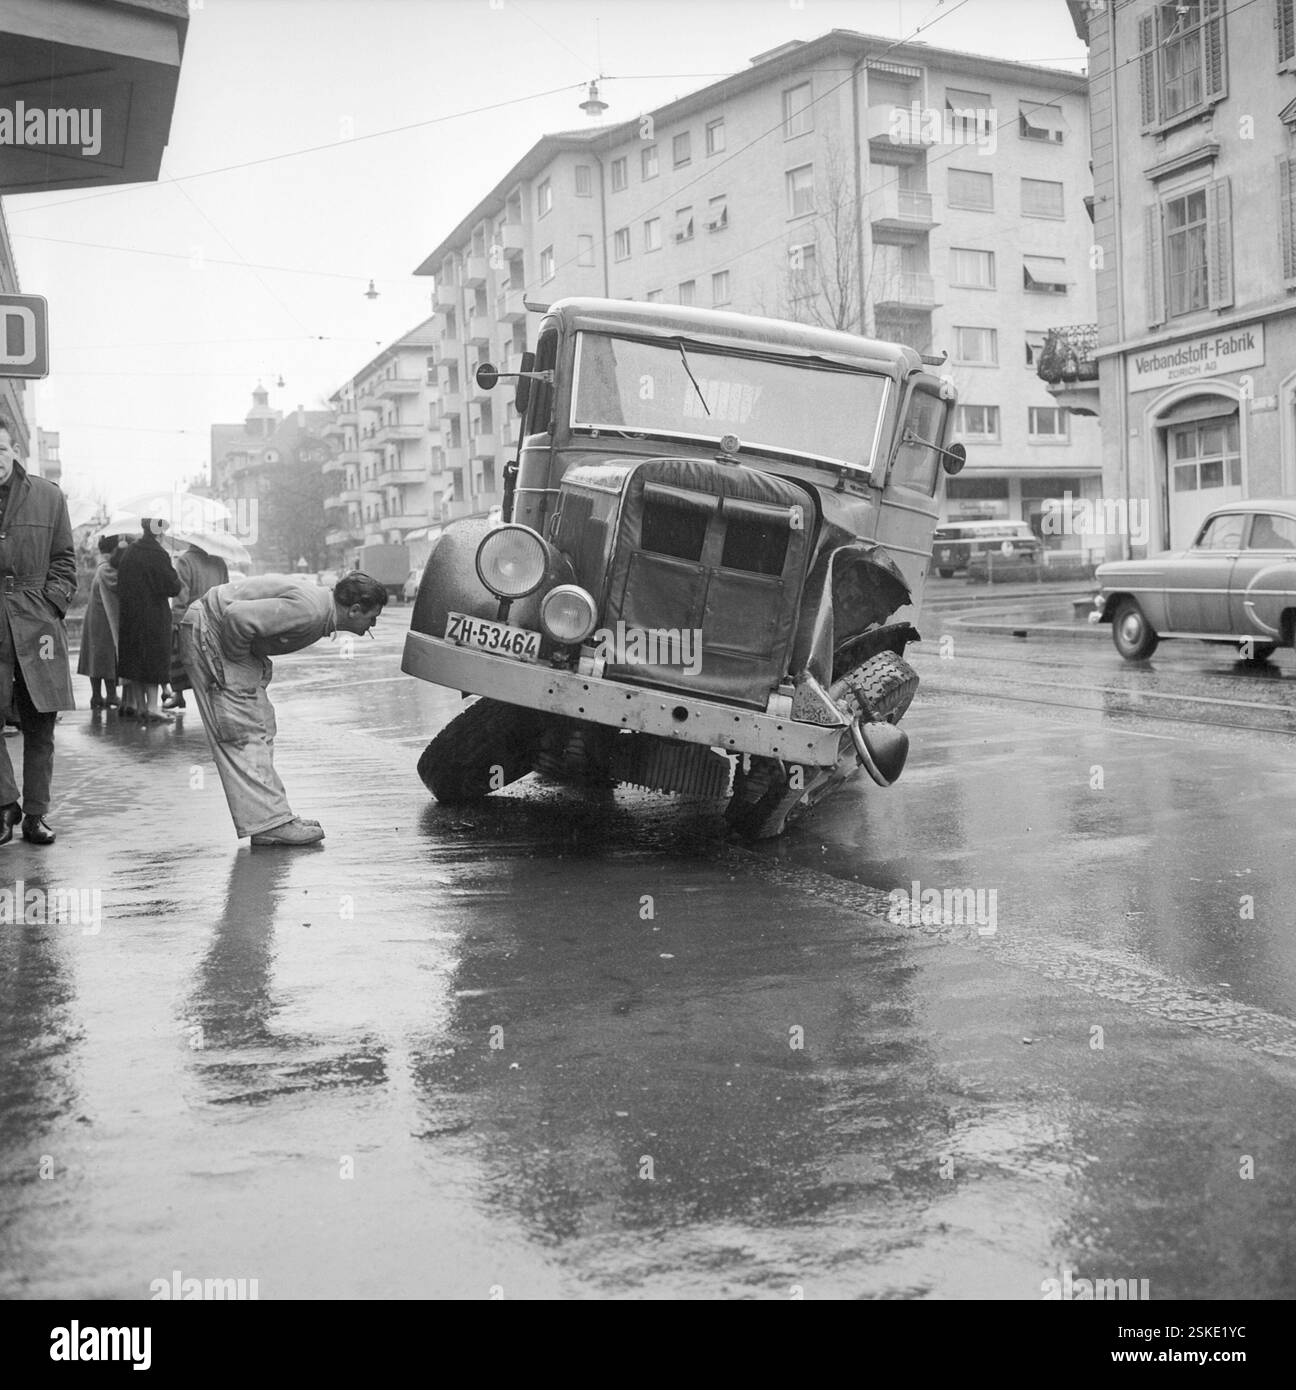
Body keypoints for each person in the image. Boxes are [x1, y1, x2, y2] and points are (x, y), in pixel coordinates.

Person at [178, 571, 385, 846]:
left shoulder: (317, 608)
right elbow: (238, 618)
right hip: (209, 633)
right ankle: (269, 824)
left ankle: (274, 818)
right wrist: (239, 663)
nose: (372, 624)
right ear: (355, 609)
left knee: (261, 724)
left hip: (210, 630)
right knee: (242, 732)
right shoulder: (311, 611)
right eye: (372, 617)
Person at [0, 415, 77, 846]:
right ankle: (4, 804)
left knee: (40, 724)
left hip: (37, 624)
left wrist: (52, 603)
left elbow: (65, 560)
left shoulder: (48, 497)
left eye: (0, 448)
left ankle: (34, 815)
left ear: (14, 450)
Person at [116, 520, 182, 723]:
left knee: (134, 660)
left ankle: (141, 706)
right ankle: (153, 707)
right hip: (154, 616)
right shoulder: (158, 554)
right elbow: (173, 587)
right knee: (154, 660)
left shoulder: (129, 552)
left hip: (130, 616)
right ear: (159, 532)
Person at [163, 543, 229, 710]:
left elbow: (181, 594)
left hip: (192, 619)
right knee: (211, 660)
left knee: (183, 659)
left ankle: (178, 695)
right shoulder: (219, 562)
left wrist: (176, 619)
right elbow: (227, 591)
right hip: (215, 619)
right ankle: (215, 701)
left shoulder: (186, 561)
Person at [77, 534, 126, 709]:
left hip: (95, 618)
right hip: (105, 620)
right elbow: (118, 586)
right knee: (107, 658)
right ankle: (110, 695)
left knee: (96, 658)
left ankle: (97, 696)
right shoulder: (108, 568)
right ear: (114, 549)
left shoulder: (101, 567)